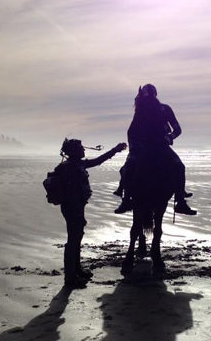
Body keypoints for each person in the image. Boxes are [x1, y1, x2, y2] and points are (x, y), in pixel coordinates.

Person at [113, 84, 196, 215]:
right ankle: (126, 199)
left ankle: (180, 201)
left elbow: (177, 129)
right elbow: (131, 132)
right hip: (142, 147)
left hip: (161, 146)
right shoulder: (140, 111)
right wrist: (133, 148)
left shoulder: (165, 109)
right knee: (127, 168)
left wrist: (169, 137)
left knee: (179, 167)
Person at [57, 138, 127, 288]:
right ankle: (70, 278)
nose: (84, 150)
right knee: (73, 239)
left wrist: (115, 150)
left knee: (77, 236)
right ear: (74, 151)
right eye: (81, 148)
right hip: (72, 206)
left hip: (75, 206)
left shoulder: (75, 165)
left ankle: (77, 270)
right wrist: (115, 150)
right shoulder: (70, 167)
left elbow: (99, 160)